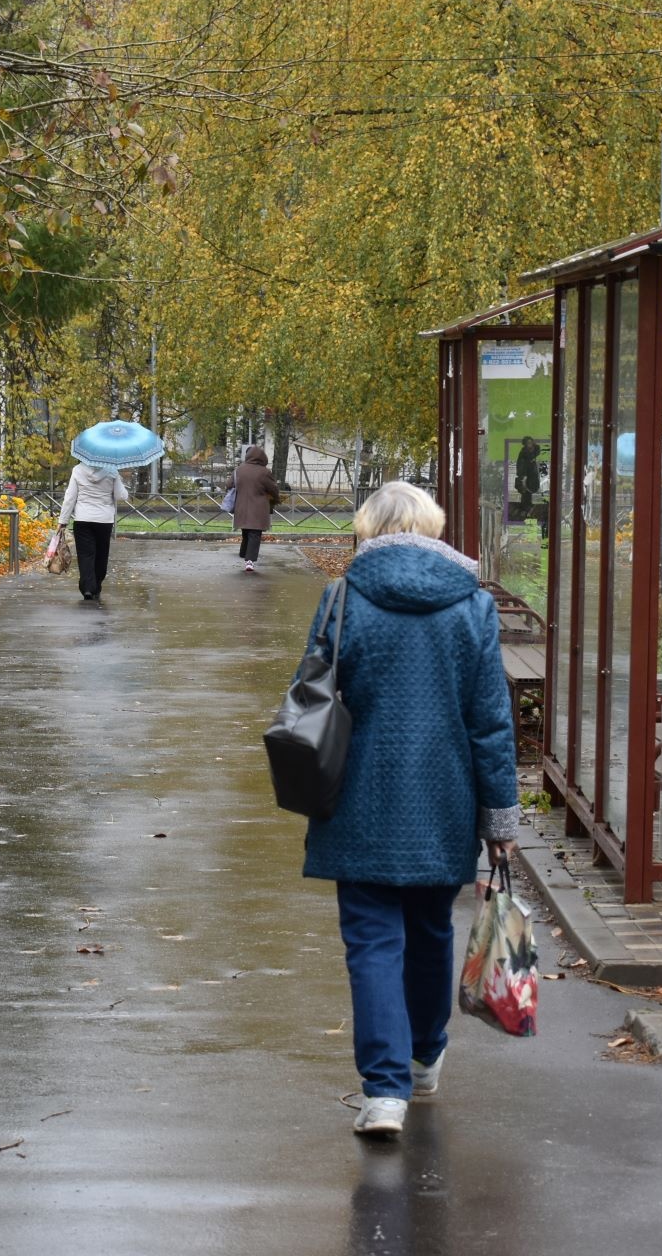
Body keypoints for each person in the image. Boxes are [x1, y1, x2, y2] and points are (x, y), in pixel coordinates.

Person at [298, 481, 519, 1138]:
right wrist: (500, 822)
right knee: (430, 933)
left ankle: (384, 1091)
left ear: (369, 530)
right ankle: (424, 1057)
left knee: (371, 942)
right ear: (432, 530)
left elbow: (310, 695)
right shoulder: (472, 607)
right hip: (443, 803)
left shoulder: (341, 599)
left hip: (357, 801)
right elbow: (490, 723)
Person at [57, 460, 132, 601]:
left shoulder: (78, 470)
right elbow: (121, 496)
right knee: (101, 555)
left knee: (85, 555)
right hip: (104, 521)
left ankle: (87, 588)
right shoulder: (112, 470)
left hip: (82, 519)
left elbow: (70, 497)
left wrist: (63, 521)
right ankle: (96, 585)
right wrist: (118, 478)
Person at [228, 445, 280, 573]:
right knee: (255, 534)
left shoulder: (239, 470)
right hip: (258, 509)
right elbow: (273, 489)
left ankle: (244, 554)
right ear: (262, 457)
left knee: (246, 531)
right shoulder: (264, 472)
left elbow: (228, 484)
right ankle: (249, 561)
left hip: (241, 508)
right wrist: (276, 499)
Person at [514, 436, 540, 523]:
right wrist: (523, 476)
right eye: (528, 443)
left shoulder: (532, 450)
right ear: (525, 444)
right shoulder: (524, 453)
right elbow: (521, 465)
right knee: (525, 491)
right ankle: (525, 509)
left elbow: (537, 450)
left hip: (531, 475)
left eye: (531, 442)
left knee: (528, 491)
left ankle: (526, 508)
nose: (530, 444)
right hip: (525, 475)